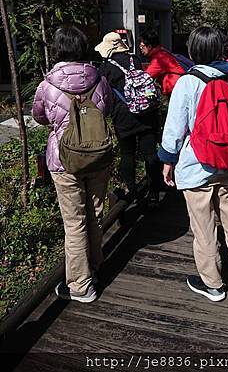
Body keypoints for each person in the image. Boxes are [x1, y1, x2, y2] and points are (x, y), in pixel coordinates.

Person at [158, 27, 228, 303]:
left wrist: (168, 160)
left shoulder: (187, 83)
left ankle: (213, 284)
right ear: (219, 50)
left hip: (197, 164)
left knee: (204, 226)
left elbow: (175, 128)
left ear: (193, 51)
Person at [32, 26, 113, 303]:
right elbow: (108, 108)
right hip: (98, 156)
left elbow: (39, 117)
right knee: (95, 215)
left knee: (74, 223)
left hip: (64, 160)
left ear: (58, 50)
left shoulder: (48, 85)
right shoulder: (99, 79)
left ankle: (80, 285)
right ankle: (94, 266)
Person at [95, 32, 162, 208]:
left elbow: (104, 94)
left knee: (127, 154)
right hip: (146, 112)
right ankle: (154, 192)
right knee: (150, 155)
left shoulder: (106, 67)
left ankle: (132, 191)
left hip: (123, 116)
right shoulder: (135, 60)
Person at [139, 29, 185, 95]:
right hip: (176, 88)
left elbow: (146, 76)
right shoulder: (161, 52)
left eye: (142, 46)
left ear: (149, 46)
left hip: (175, 91)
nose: (140, 48)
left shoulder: (159, 58)